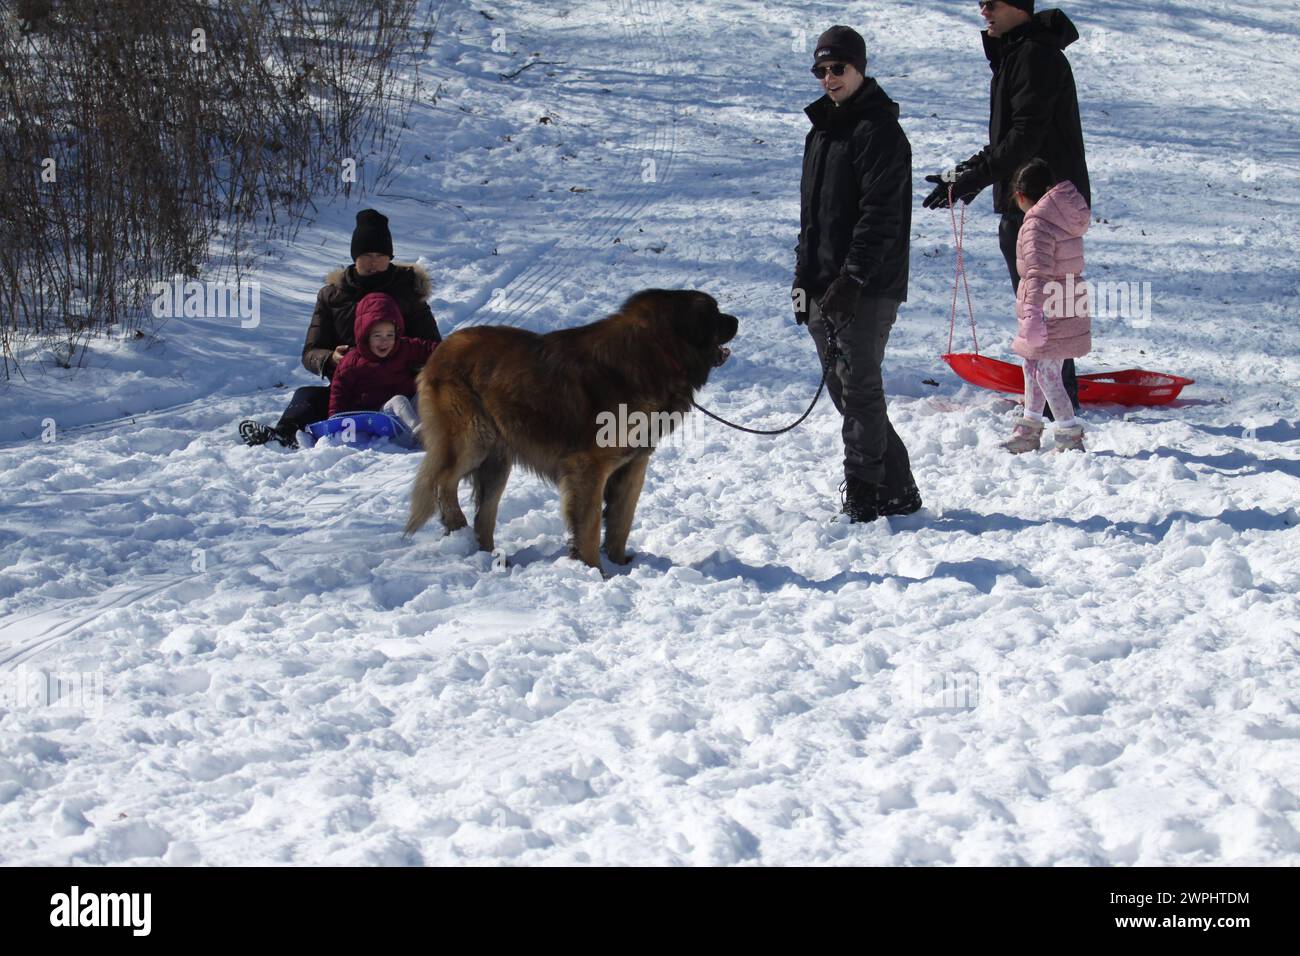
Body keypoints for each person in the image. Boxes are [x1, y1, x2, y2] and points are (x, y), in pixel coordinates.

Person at [922, 0, 1090, 413]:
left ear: (1017, 6)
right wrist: (968, 172)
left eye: (991, 3)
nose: (983, 12)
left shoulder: (1034, 55)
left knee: (1045, 305)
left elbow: (1025, 138)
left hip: (1042, 203)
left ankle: (1058, 403)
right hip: (1037, 199)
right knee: (1046, 302)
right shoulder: (1019, 54)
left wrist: (976, 177)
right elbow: (1009, 141)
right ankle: (1057, 395)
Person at [793, 25, 921, 524]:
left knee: (861, 386)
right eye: (821, 70)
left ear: (860, 68)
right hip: (825, 284)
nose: (829, 78)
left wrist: (853, 279)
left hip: (867, 286)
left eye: (838, 68)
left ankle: (866, 490)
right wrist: (804, 280)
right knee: (844, 390)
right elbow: (812, 218)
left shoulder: (880, 132)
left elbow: (880, 216)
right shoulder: (822, 131)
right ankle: (899, 486)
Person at [238, 209, 441, 447]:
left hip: (401, 387)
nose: (373, 261)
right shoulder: (333, 296)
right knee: (308, 396)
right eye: (366, 254)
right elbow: (310, 352)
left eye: (380, 255)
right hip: (353, 390)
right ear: (355, 256)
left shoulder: (408, 292)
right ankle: (284, 436)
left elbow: (435, 350)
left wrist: (401, 358)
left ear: (390, 257)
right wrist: (331, 358)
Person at [1000, 159, 1090, 453]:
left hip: (1050, 308)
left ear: (1020, 195)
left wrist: (1034, 314)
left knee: (1047, 372)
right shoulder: (1061, 215)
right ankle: (1029, 427)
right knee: (1031, 365)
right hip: (1065, 301)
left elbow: (1038, 272)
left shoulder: (1037, 224)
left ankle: (1068, 433)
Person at [327, 291, 436, 445]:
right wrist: (335, 421)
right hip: (378, 418)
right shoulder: (352, 360)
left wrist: (456, 351)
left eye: (389, 335)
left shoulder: (404, 347)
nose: (384, 342)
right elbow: (339, 391)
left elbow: (432, 349)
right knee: (398, 400)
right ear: (365, 336)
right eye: (377, 336)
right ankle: (420, 434)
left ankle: (442, 426)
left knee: (429, 388)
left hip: (407, 410)